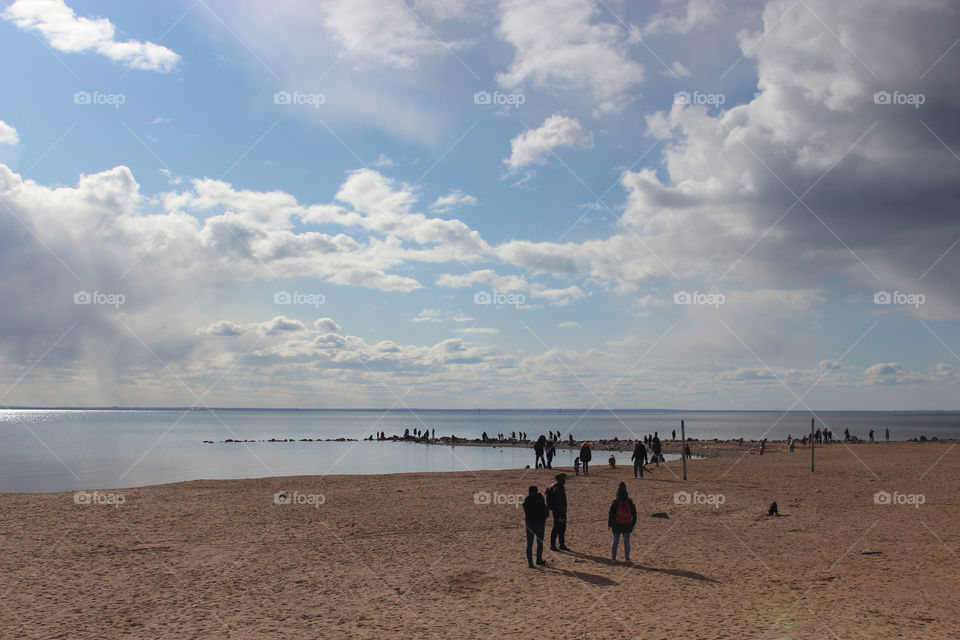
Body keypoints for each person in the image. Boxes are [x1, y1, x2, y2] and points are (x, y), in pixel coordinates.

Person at [608, 482, 637, 563]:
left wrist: (609, 524)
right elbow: (634, 514)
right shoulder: (630, 502)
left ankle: (613, 558)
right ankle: (627, 558)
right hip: (627, 525)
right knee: (627, 542)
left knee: (615, 542)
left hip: (616, 525)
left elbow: (610, 514)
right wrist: (633, 524)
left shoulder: (615, 502)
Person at [522, 486, 548, 568]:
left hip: (529, 523)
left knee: (529, 543)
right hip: (539, 523)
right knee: (539, 542)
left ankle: (530, 563)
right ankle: (539, 559)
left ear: (529, 492)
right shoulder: (540, 498)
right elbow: (545, 511)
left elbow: (525, 508)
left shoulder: (526, 500)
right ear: (536, 491)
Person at [546, 473, 569, 551]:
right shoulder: (558, 488)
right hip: (559, 512)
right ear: (561, 479)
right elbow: (559, 502)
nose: (565, 480)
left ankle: (560, 544)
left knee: (561, 527)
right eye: (564, 479)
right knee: (558, 527)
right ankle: (555, 545)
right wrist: (562, 513)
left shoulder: (555, 486)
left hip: (558, 511)